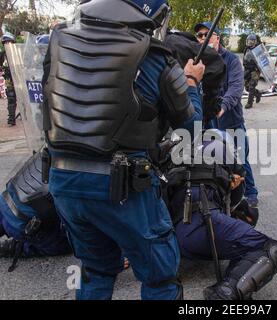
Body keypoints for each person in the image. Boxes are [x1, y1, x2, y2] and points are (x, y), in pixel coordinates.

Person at [43, 0, 206, 300]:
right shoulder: (156, 56)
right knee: (160, 275)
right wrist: (192, 81)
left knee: (94, 270)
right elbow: (191, 130)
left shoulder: (59, 40)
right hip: (123, 187)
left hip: (62, 181)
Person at [164, 132, 277, 300]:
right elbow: (237, 194)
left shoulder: (179, 156)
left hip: (170, 238)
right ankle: (226, 293)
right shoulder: (223, 149)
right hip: (200, 224)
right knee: (271, 250)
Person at [194, 21, 260, 210]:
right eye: (200, 35)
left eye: (209, 34)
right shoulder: (197, 61)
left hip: (230, 118)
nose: (204, 38)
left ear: (218, 37)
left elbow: (236, 88)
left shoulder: (230, 59)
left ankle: (250, 193)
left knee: (239, 158)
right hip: (207, 119)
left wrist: (223, 106)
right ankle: (219, 193)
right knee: (210, 158)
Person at [0, 151, 71, 270]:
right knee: (65, 245)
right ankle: (15, 247)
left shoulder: (60, 138)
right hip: (25, 223)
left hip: (8, 198)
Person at [0, 34, 17, 126]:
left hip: (19, 78)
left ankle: (25, 116)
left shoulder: (18, 52)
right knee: (11, 97)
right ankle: (11, 118)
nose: (7, 44)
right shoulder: (3, 54)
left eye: (9, 42)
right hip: (8, 78)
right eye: (5, 43)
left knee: (23, 97)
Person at [243, 34, 262, 110]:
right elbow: (244, 59)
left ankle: (249, 103)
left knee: (251, 86)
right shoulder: (246, 49)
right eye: (249, 41)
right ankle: (257, 94)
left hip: (255, 70)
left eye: (251, 41)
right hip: (247, 69)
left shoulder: (258, 50)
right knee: (247, 88)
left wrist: (256, 67)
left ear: (254, 42)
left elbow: (262, 61)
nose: (250, 43)